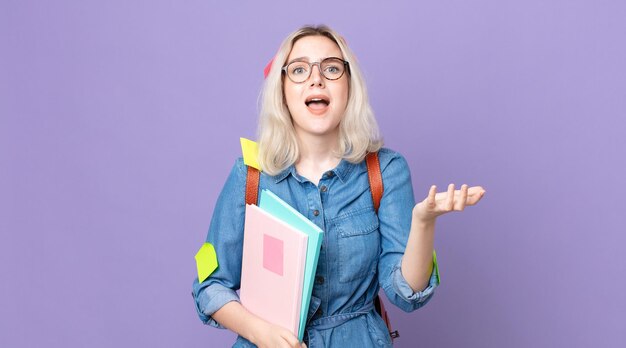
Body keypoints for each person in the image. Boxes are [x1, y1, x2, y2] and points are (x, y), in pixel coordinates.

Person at [192, 25, 485, 348]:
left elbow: (407, 294)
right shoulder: (250, 175)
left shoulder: (385, 171)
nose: (316, 79)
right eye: (300, 70)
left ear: (349, 86)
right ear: (283, 90)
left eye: (331, 68)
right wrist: (260, 332)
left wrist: (423, 222)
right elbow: (210, 285)